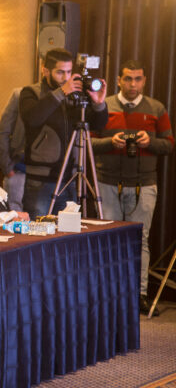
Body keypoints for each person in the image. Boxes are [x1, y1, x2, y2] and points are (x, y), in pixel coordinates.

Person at [91, 59, 174, 315]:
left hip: (144, 184)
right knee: (107, 241)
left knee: (140, 240)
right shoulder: (103, 106)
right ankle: (108, 296)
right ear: (118, 80)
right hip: (107, 182)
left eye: (138, 79)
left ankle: (139, 295)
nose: (133, 84)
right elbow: (87, 143)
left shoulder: (156, 108)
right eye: (128, 78)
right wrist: (110, 142)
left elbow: (169, 144)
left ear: (144, 81)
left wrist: (150, 142)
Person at [19, 48, 108, 219]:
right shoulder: (31, 92)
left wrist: (98, 104)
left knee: (67, 230)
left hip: (70, 177)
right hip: (41, 180)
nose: (66, 77)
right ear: (45, 71)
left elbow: (98, 125)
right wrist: (61, 93)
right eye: (60, 72)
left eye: (69, 72)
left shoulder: (76, 94)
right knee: (38, 229)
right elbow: (32, 118)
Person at [0, 88, 26, 211]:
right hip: (18, 170)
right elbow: (3, 132)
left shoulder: (67, 97)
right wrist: (7, 167)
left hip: (51, 175)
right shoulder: (20, 95)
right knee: (14, 215)